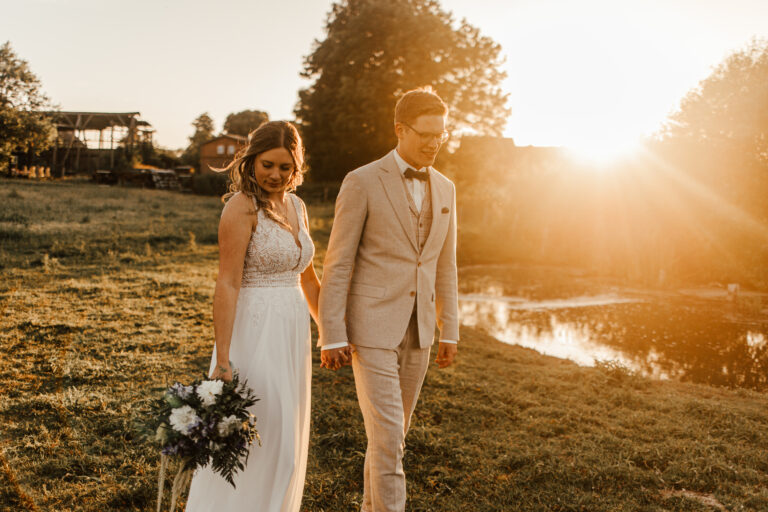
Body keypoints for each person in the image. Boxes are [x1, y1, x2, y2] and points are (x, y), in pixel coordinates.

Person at [318, 87, 459, 512]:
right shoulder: (361, 180)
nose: (435, 143)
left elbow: (445, 265)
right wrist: (331, 335)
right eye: (426, 134)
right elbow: (338, 263)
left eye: (442, 135)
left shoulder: (447, 188)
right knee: (388, 439)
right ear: (400, 129)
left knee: (392, 436)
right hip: (371, 327)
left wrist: (448, 327)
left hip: (419, 333)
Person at [185, 121, 319, 512]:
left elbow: (308, 279)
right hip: (254, 332)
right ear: (251, 161)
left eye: (285, 166)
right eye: (267, 165)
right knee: (257, 436)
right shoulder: (241, 207)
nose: (276, 175)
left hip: (292, 332)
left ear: (296, 166)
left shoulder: (298, 206)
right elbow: (227, 283)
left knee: (286, 445)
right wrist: (223, 358)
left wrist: (331, 333)